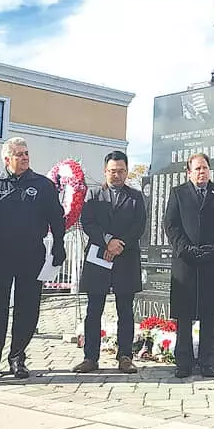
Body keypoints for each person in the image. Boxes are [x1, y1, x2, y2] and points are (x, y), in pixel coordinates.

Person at [0, 137, 65, 380]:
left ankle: (18, 357)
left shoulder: (42, 185)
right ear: (6, 158)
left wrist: (59, 245)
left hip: (31, 253)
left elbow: (56, 217)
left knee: (27, 307)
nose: (24, 157)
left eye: (26, 153)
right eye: (19, 154)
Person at [72, 151, 146, 374]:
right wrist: (107, 242)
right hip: (98, 258)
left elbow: (139, 225)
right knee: (94, 310)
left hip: (126, 257)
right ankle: (90, 358)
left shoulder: (135, 197)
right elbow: (88, 222)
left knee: (125, 310)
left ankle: (125, 356)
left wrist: (119, 244)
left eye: (121, 171)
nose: (117, 175)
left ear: (127, 171)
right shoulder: (93, 195)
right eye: (113, 171)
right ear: (105, 171)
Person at [164, 153, 214, 378]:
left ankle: (208, 362)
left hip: (212, 262)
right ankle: (184, 363)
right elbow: (171, 224)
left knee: (209, 315)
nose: (201, 172)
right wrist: (185, 248)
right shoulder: (178, 193)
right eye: (197, 169)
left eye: (205, 168)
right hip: (186, 262)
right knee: (184, 316)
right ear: (189, 172)